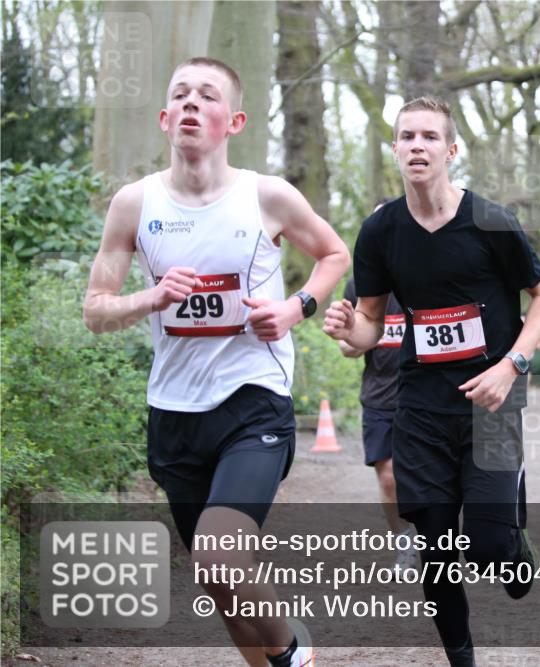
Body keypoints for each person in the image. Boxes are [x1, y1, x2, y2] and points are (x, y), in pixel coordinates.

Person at [83, 57, 349, 667]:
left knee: (220, 554)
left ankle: (293, 653)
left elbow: (334, 254)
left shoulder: (268, 196)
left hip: (252, 400)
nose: (192, 104)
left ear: (233, 120)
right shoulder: (133, 204)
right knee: (219, 583)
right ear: (164, 117)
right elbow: (96, 312)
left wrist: (294, 308)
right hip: (174, 412)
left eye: (207, 96)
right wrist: (151, 296)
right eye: (180, 95)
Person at [323, 97, 540, 667]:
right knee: (434, 551)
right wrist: (347, 329)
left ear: (451, 150)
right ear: (396, 150)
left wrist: (512, 366)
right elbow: (372, 325)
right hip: (422, 409)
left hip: (493, 403)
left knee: (484, 550)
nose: (417, 146)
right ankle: (462, 659)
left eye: (430, 137)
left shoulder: (491, 222)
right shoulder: (381, 230)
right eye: (407, 137)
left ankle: (511, 536)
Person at [338, 201, 419, 573]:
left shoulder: (426, 277)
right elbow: (348, 348)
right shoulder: (360, 284)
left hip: (424, 396)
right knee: (388, 475)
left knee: (430, 477)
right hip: (379, 397)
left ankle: (437, 536)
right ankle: (405, 542)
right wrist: (350, 339)